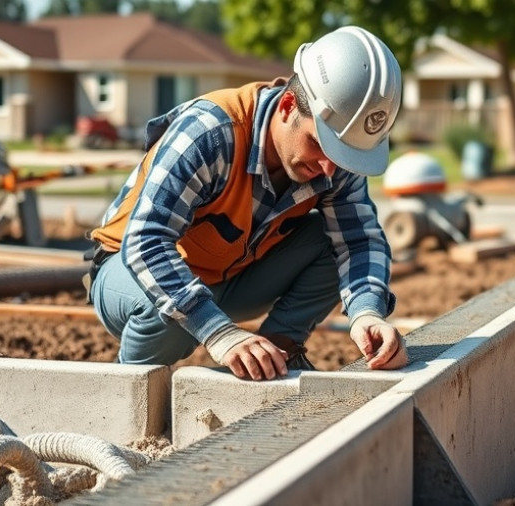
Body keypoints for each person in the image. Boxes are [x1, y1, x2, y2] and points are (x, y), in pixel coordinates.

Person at [85, 25, 408, 381]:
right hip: (128, 272)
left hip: (230, 277)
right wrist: (219, 332)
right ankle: (129, 387)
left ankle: (275, 357)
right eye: (320, 145)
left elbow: (359, 241)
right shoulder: (211, 133)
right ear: (288, 106)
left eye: (344, 155)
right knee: (166, 310)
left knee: (330, 241)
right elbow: (146, 243)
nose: (329, 167)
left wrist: (367, 313)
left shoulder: (333, 161)